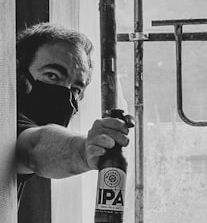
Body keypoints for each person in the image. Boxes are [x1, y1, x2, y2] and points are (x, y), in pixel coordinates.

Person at [15, 22, 130, 199]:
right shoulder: (6, 123)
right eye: (52, 75)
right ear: (18, 72)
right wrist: (84, 151)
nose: (64, 94)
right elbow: (33, 147)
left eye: (76, 88)